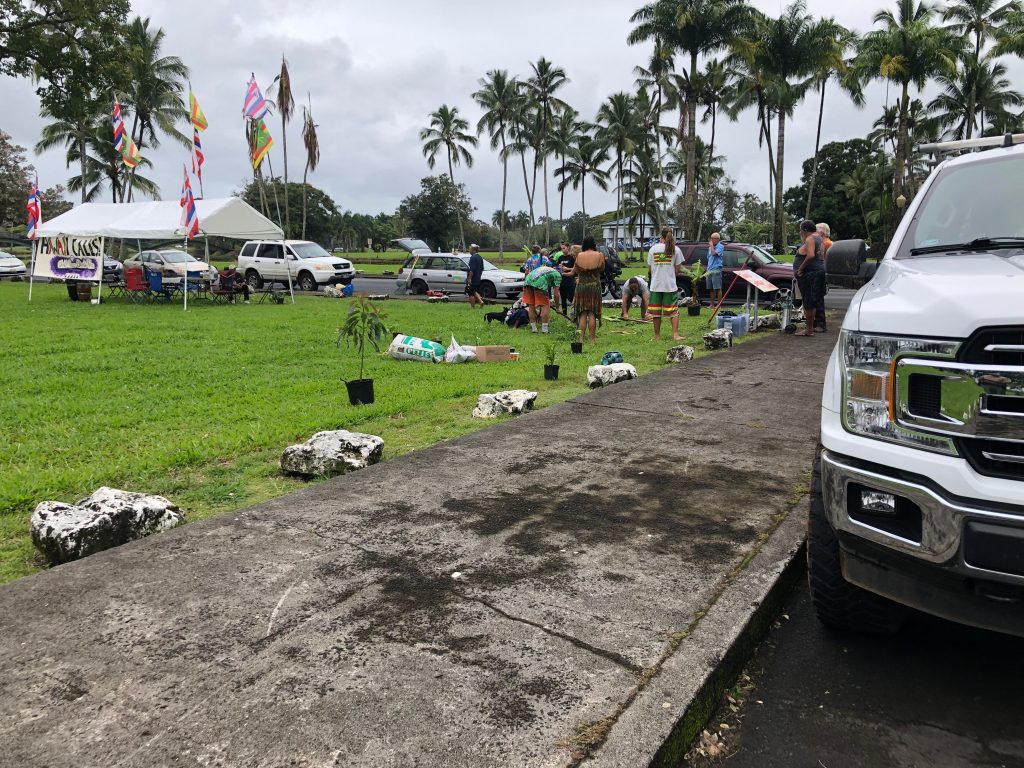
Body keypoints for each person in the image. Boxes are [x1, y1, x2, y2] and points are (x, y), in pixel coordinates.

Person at [647, 227, 685, 341]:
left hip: (655, 285)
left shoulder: (653, 249)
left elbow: (649, 269)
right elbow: (678, 269)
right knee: (673, 311)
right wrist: (670, 276)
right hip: (670, 286)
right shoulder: (676, 249)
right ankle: (675, 335)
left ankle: (657, 336)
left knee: (656, 312)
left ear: (661, 236)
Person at [569, 236, 604, 342]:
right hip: (594, 287)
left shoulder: (579, 256)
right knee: (592, 313)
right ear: (594, 244)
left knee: (582, 313)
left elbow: (576, 271)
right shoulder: (599, 255)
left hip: (582, 287)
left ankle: (581, 339)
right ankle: (592, 340)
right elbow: (602, 269)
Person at [794, 220, 826, 335]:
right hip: (818, 271)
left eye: (801, 230)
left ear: (805, 230)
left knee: (808, 301)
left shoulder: (810, 238)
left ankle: (809, 329)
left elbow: (811, 255)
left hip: (811, 274)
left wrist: (800, 268)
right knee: (814, 300)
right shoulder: (819, 237)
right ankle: (811, 327)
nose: (800, 232)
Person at [522, 264, 562, 333]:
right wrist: (558, 307)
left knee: (531, 305)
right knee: (545, 305)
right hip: (539, 282)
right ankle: (545, 330)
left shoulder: (548, 270)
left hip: (527, 280)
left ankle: (534, 329)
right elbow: (556, 294)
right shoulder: (558, 275)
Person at [556, 243, 577, 315]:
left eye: (564, 248)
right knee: (563, 298)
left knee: (571, 297)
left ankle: (575, 311)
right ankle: (564, 313)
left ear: (568, 247)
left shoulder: (572, 257)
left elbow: (576, 268)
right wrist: (559, 267)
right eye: (561, 248)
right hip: (562, 280)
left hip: (570, 280)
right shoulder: (560, 257)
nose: (562, 250)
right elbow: (557, 267)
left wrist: (567, 268)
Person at [705, 232, 724, 309]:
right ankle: (712, 305)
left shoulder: (721, 247)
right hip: (709, 269)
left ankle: (719, 305)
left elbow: (714, 254)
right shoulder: (710, 248)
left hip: (716, 269)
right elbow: (709, 257)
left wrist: (711, 246)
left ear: (718, 239)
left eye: (713, 238)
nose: (711, 240)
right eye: (711, 238)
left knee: (718, 288)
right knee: (711, 288)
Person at [465, 243, 484, 308]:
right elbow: (482, 268)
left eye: (470, 249)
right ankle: (480, 301)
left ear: (473, 250)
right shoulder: (480, 257)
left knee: (471, 293)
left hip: (473, 278)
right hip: (478, 278)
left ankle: (472, 307)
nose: (469, 251)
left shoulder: (473, 258)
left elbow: (472, 270)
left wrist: (469, 278)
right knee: (475, 291)